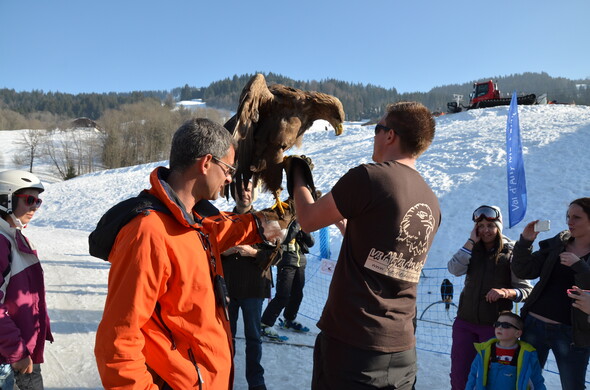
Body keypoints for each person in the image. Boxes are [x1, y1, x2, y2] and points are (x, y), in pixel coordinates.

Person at [93, 118, 283, 390]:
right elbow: (118, 341)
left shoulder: (195, 222)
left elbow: (225, 231)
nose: (230, 178)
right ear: (206, 163)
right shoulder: (148, 232)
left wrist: (269, 222)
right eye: (228, 168)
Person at [287, 101, 441, 389]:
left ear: (390, 135)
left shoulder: (371, 177)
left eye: (377, 128)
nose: (374, 136)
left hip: (354, 346)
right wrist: (344, 224)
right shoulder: (431, 200)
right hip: (402, 349)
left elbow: (306, 220)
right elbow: (385, 247)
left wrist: (297, 174)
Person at [447, 205, 532, 390]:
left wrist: (505, 292)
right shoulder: (471, 249)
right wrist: (470, 241)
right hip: (464, 323)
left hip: (495, 327)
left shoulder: (511, 252)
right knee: (459, 375)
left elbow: (526, 290)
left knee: (492, 378)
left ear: (499, 227)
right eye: (482, 225)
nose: (486, 230)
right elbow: (454, 269)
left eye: (491, 226)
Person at [512, 197, 590, 390]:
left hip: (572, 334)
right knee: (525, 384)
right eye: (568, 216)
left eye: (577, 217)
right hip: (534, 326)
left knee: (573, 386)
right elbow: (524, 271)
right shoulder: (558, 244)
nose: (569, 222)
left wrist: (579, 267)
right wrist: (525, 242)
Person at [0, 170, 53, 390]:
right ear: (5, 200)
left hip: (23, 345)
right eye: (29, 200)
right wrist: (16, 351)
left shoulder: (14, 236)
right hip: (9, 355)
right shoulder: (2, 242)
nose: (34, 207)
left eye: (38, 201)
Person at [221, 181, 273, 390]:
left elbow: (276, 256)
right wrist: (224, 251)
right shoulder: (223, 219)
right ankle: (224, 378)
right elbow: (209, 249)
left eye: (250, 189)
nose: (246, 193)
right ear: (233, 193)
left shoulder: (267, 220)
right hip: (228, 289)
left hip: (254, 288)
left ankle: (256, 382)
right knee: (226, 338)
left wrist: (251, 252)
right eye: (241, 189)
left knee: (254, 337)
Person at [261, 198, 314, 339]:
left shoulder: (303, 220)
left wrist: (305, 231)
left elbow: (311, 242)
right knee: (283, 295)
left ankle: (289, 319)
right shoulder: (283, 220)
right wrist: (295, 227)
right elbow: (282, 239)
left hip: (300, 261)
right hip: (286, 261)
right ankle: (265, 324)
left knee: (298, 294)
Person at [465, 311, 546, 390]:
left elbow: (536, 382)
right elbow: (473, 377)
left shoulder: (527, 355)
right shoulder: (484, 351)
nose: (499, 327)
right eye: (497, 324)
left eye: (505, 325)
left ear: (517, 333)